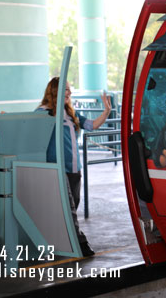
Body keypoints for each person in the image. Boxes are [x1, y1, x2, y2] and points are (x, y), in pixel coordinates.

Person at [35, 77, 112, 257]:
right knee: (69, 209)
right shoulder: (43, 113)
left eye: (69, 90)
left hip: (75, 168)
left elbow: (92, 125)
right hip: (57, 168)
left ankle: (60, 240)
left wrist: (107, 111)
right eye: (66, 90)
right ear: (54, 91)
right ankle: (80, 243)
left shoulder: (71, 113)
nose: (69, 93)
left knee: (73, 205)